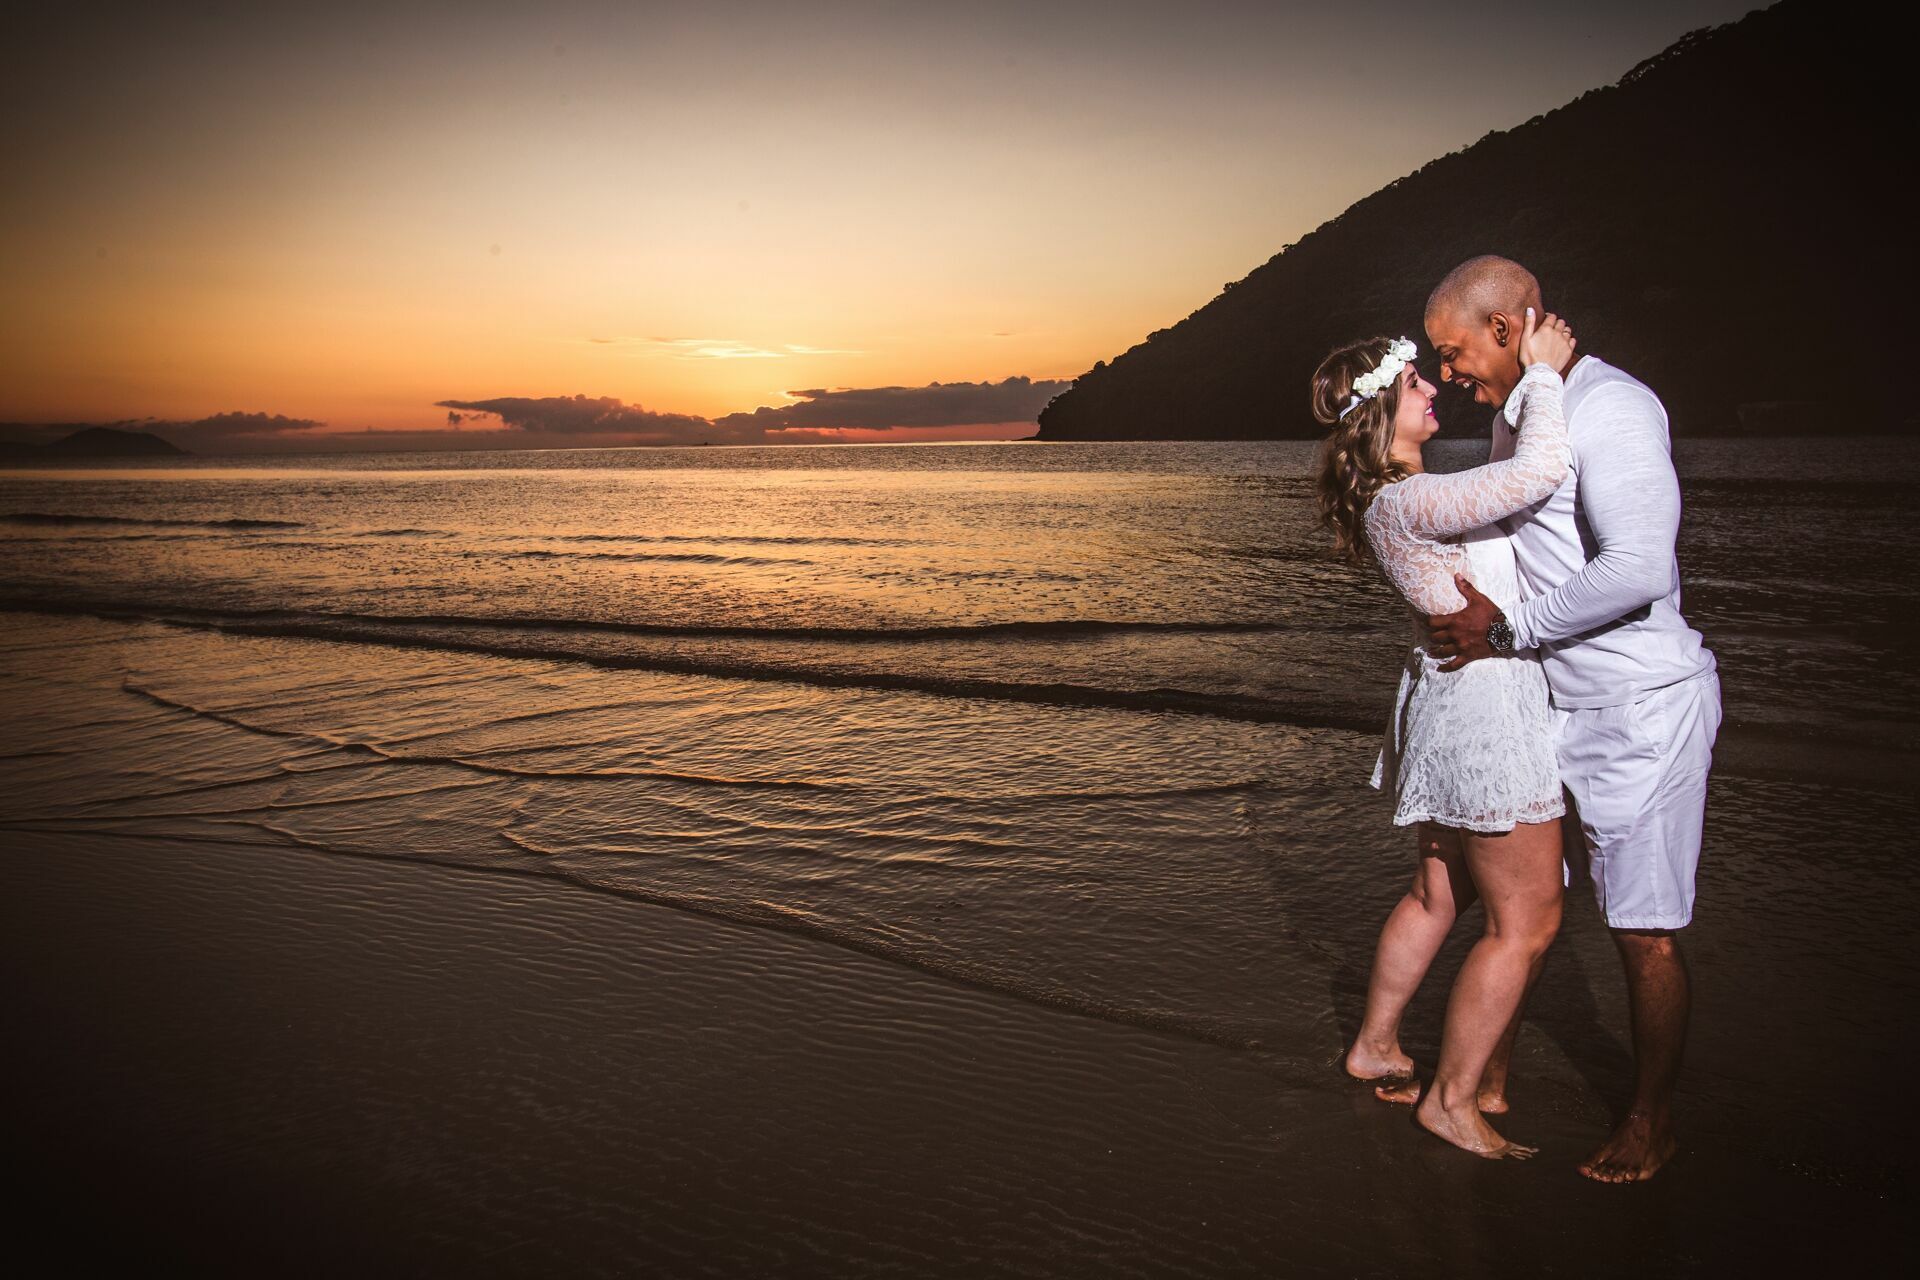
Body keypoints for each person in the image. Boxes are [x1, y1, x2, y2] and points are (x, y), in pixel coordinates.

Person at [1423, 255, 1721, 1183]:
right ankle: (1486, 1081)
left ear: (1505, 328)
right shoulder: (1522, 416)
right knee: (1524, 906)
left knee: (1642, 928)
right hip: (1548, 701)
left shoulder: (1613, 407)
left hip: (1640, 710)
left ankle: (1650, 1121)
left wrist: (1505, 630)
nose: (1446, 373)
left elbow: (1637, 566)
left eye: (1453, 351)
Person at [1311, 308, 1578, 1159]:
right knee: (1526, 922)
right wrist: (1543, 372)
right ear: (1380, 412)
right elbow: (1540, 471)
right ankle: (1452, 1103)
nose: (1430, 387)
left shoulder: (1397, 501)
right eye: (1412, 381)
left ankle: (1374, 1045)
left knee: (1437, 896)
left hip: (1446, 702)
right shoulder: (1413, 499)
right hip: (1485, 711)